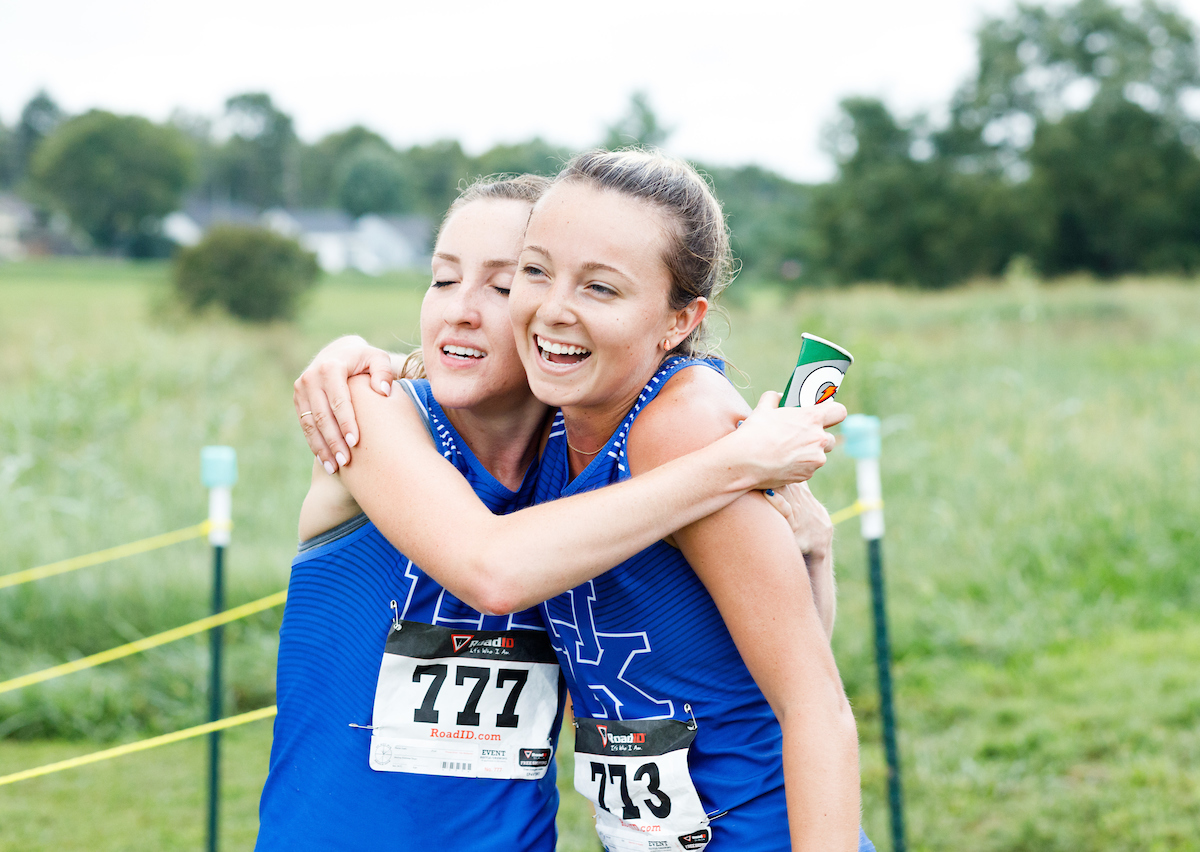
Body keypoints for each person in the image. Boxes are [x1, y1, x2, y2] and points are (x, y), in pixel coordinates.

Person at [258, 174, 850, 852]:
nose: (459, 310)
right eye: (442, 279)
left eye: (505, 285)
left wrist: (810, 545)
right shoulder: (371, 406)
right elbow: (494, 566)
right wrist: (740, 463)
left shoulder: (601, 448)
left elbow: (783, 683)